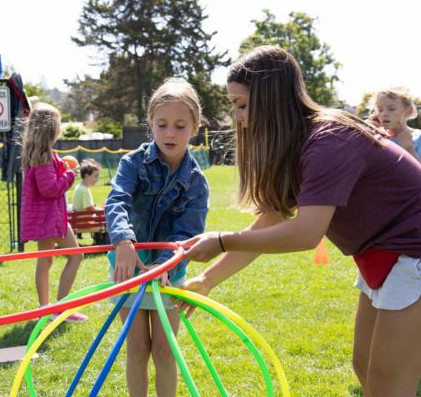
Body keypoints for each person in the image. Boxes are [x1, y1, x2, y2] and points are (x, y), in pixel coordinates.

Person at [177, 46, 421, 396]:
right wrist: (207, 279)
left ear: (271, 100)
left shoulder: (329, 140)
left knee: (387, 384)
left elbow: (306, 233)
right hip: (385, 256)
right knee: (366, 367)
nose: (238, 118)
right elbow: (272, 218)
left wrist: (221, 240)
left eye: (242, 105)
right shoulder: (301, 145)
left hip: (412, 254)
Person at [105, 77, 209, 396]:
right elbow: (117, 199)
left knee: (165, 351)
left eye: (180, 125)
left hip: (169, 273)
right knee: (137, 349)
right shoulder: (133, 164)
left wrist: (164, 265)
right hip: (128, 268)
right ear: (151, 123)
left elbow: (187, 232)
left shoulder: (195, 182)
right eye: (162, 124)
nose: (170, 133)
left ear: (195, 126)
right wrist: (123, 240)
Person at [20, 102, 87, 322]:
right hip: (49, 219)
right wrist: (69, 175)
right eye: (59, 124)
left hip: (48, 218)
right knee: (76, 257)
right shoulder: (44, 157)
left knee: (46, 261)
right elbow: (49, 189)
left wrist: (63, 169)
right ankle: (59, 308)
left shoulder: (41, 155)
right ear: (50, 129)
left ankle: (47, 309)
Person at [369, 87, 421, 162]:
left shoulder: (419, 137)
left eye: (391, 109)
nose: (384, 114)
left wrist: (408, 148)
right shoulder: (378, 138)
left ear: (408, 111)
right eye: (380, 110)